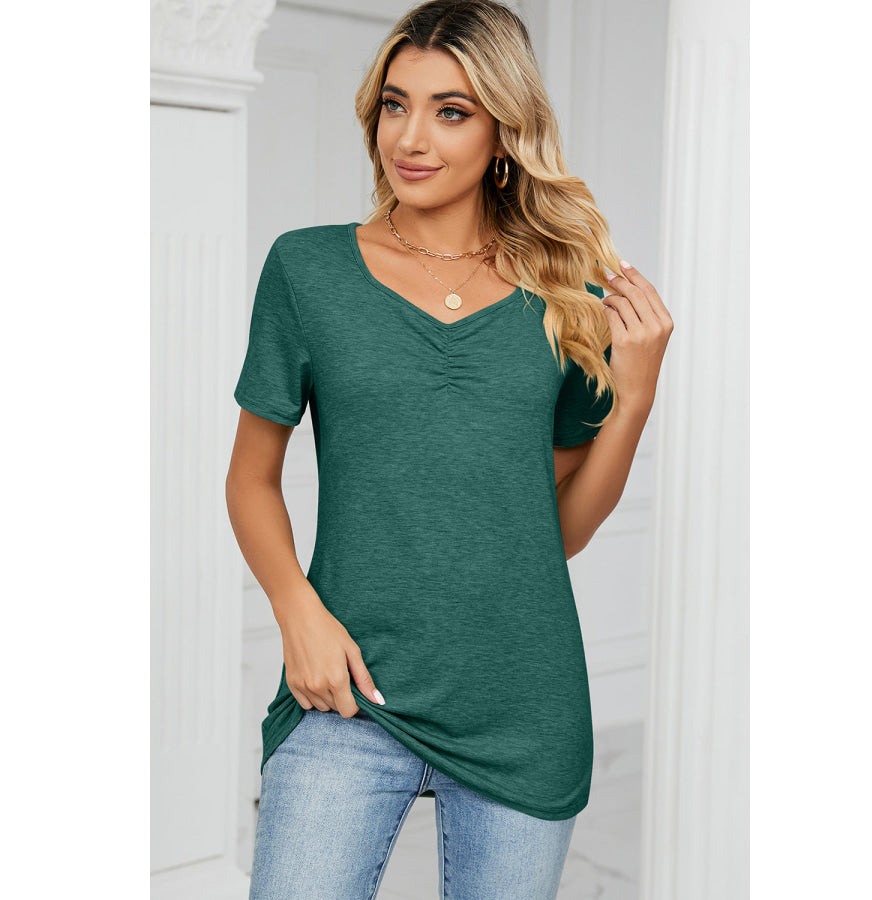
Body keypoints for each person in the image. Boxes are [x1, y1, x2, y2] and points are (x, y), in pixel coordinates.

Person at [225, 1, 673, 897]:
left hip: (522, 706)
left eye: (451, 111)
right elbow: (251, 478)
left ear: (504, 133)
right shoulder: (308, 270)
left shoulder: (567, 301)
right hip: (347, 693)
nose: (411, 137)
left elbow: (557, 530)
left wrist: (634, 398)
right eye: (396, 104)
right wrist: (296, 610)